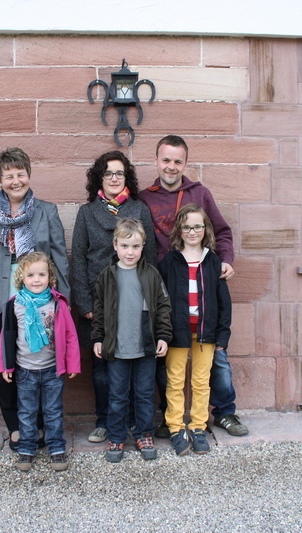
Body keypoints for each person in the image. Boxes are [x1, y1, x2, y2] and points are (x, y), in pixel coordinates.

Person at [138, 134, 248, 438]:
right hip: (165, 289)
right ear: (156, 161)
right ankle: (170, 418)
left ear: (185, 163)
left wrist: (225, 260)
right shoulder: (144, 198)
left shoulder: (199, 194)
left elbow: (222, 231)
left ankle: (224, 411)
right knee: (166, 360)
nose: (171, 166)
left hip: (200, 285)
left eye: (178, 161)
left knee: (216, 358)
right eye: (166, 160)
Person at [0, 147, 70, 451]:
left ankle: (40, 425)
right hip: (4, 302)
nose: (16, 181)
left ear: (29, 174)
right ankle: (16, 426)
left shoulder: (46, 211)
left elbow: (59, 257)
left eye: (21, 173)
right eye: (9, 175)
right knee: (10, 363)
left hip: (42, 302)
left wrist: (63, 299)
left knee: (41, 363)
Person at [70, 151, 156, 444]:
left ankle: (132, 422)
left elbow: (151, 258)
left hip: (134, 303)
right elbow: (78, 259)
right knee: (102, 367)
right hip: (98, 303)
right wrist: (85, 304)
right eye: (108, 173)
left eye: (119, 173)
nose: (114, 178)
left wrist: (149, 304)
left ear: (126, 177)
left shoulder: (139, 210)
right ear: (100, 178)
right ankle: (104, 421)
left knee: (134, 364)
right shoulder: (86, 212)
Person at [92, 218, 172, 463]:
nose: (130, 252)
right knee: (117, 395)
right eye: (125, 246)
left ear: (143, 246)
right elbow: (99, 310)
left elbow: (163, 307)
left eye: (136, 246)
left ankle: (144, 434)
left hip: (146, 347)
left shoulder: (151, 274)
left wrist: (163, 336)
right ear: (115, 245)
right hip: (117, 348)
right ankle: (116, 436)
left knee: (145, 394)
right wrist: (98, 338)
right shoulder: (107, 276)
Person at [159, 204, 232, 455]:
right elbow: (161, 299)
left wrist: (223, 334)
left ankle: (198, 426)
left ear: (205, 229)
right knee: (175, 381)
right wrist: (162, 332)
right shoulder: (170, 262)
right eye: (187, 227)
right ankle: (175, 427)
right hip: (176, 332)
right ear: (179, 230)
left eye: (197, 226)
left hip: (206, 333)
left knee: (201, 381)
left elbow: (224, 302)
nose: (192, 232)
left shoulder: (212, 261)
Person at [0, 252, 80, 472]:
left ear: (50, 277)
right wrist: (6, 365)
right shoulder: (14, 305)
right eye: (31, 275)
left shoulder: (57, 304)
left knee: (53, 411)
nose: (36, 280)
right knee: (26, 412)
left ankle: (56, 447)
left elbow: (70, 335)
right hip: (25, 370)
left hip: (53, 369)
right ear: (21, 278)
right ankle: (26, 448)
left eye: (42, 275)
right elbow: (6, 337)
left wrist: (72, 364)